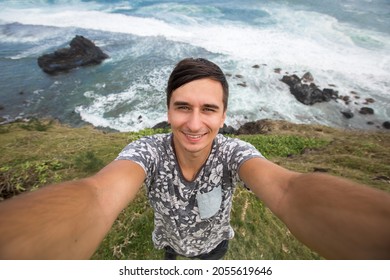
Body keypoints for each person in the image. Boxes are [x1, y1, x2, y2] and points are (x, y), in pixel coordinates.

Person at [0, 58, 389, 260]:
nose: (194, 123)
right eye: (182, 107)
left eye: (209, 109)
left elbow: (288, 190)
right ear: (168, 110)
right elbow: (98, 196)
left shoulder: (234, 153)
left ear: (223, 115)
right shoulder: (147, 151)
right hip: (168, 245)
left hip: (216, 248)